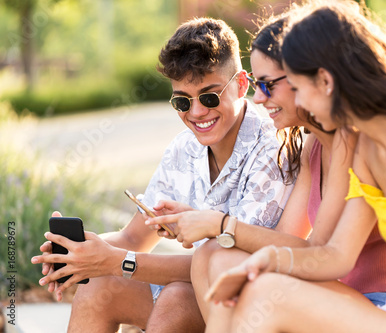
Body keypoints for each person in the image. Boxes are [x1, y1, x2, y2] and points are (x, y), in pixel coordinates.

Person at [206, 1, 386, 332]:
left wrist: (379, 323)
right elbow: (335, 256)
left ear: (326, 81)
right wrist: (267, 260)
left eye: (299, 89)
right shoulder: (367, 147)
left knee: (267, 294)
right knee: (254, 287)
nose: (299, 103)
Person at [30, 17, 293, 333]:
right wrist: (82, 254)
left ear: (240, 84)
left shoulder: (271, 149)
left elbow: (226, 266)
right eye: (182, 100)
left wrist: (116, 261)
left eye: (209, 97)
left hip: (255, 302)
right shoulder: (183, 149)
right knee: (98, 286)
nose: (196, 113)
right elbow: (132, 238)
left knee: (177, 298)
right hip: (203, 290)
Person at [146, 14, 386, 332]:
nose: (258, 98)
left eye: (269, 84)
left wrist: (221, 225)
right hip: (343, 296)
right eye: (257, 84)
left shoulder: (353, 144)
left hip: (380, 301)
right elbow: (289, 240)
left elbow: (323, 255)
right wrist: (211, 226)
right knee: (214, 256)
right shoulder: (314, 147)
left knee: (240, 275)